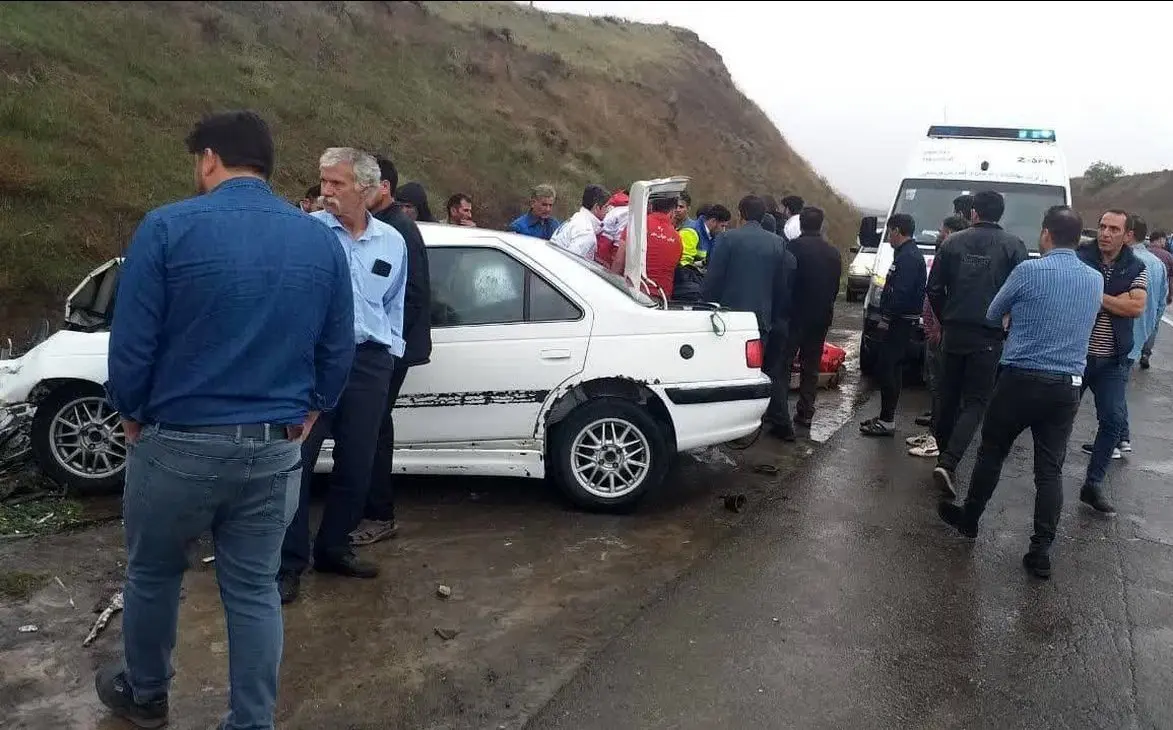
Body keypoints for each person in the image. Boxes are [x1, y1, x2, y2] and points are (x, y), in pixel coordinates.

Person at [97, 111, 355, 729]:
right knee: (254, 590)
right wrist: (312, 407)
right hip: (272, 450)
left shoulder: (166, 229)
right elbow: (337, 346)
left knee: (155, 573)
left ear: (210, 159)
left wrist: (131, 413)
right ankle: (250, 721)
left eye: (197, 161)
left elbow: (132, 344)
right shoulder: (319, 240)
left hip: (176, 444)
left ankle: (148, 694)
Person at [938, 206, 1103, 580]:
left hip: (1020, 379)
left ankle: (970, 520)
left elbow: (994, 313)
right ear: (1079, 239)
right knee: (1050, 470)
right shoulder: (1094, 279)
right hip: (1066, 388)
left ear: (1046, 234)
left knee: (992, 451)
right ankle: (1041, 549)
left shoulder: (1029, 270)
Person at [279, 148, 409, 603]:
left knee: (358, 464)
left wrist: (391, 350)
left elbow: (394, 303)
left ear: (366, 190)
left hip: (369, 364)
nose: (325, 192)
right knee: (296, 462)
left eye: (336, 184)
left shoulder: (392, 241)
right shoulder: (307, 233)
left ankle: (334, 547)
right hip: (312, 363)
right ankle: (288, 564)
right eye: (323, 182)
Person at [352, 154, 434, 550]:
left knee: (375, 429)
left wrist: (388, 346)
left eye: (363, 184)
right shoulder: (374, 225)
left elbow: (412, 296)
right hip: (377, 348)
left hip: (388, 350)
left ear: (383, 187)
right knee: (370, 428)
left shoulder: (398, 232)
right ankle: (364, 508)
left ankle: (379, 515)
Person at [926, 190, 1029, 496]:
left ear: (973, 213)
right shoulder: (1014, 246)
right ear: (1000, 214)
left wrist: (946, 318)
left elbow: (933, 288)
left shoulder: (952, 243)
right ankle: (949, 460)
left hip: (955, 330)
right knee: (975, 401)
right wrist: (1007, 319)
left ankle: (944, 453)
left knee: (947, 394)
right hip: (989, 334)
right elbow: (1022, 290)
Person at [702, 195, 796, 440]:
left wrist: (705, 308)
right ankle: (751, 423)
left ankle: (725, 425)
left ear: (740, 214)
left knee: (727, 373)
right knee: (756, 373)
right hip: (761, 320)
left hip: (728, 320)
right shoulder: (777, 243)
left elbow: (713, 281)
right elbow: (780, 286)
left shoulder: (726, 238)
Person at [1075, 209, 1148, 515]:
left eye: (1113, 229)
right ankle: (1046, 477)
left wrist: (1097, 293)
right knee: (1056, 419)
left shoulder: (1136, 266)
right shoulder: (1081, 256)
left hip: (1113, 359)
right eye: (1102, 227)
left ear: (1126, 235)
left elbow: (1135, 308)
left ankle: (1093, 484)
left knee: (1114, 421)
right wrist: (1116, 299)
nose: (1105, 233)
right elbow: (1072, 291)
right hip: (1076, 356)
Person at [907, 215, 969, 458]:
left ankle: (938, 440)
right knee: (933, 385)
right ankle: (933, 431)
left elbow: (944, 295)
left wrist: (939, 325)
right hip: (933, 328)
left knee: (942, 387)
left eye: (943, 231)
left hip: (941, 332)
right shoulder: (944, 256)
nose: (939, 234)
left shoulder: (955, 260)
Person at [859, 214, 927, 437]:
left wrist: (886, 319)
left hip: (899, 322)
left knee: (888, 368)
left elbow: (901, 293)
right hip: (900, 320)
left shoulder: (908, 258)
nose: (888, 236)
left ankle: (887, 420)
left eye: (889, 232)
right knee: (890, 367)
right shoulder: (906, 254)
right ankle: (885, 417)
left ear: (897, 231)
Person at [1107, 215, 1167, 456]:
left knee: (1113, 391)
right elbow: (1162, 303)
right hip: (1140, 334)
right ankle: (1121, 438)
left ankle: (1116, 441)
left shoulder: (1125, 261)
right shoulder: (1158, 264)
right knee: (1117, 388)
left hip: (1118, 334)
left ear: (1129, 234)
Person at [781, 206, 842, 430]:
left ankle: (779, 412)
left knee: (785, 362)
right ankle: (806, 412)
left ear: (801, 224)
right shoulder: (833, 253)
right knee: (811, 366)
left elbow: (785, 283)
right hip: (821, 316)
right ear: (821, 224)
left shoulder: (792, 248)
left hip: (794, 315)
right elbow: (835, 289)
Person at [610, 194, 683, 300]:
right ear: (672, 211)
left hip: (633, 294)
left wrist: (610, 288)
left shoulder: (636, 226)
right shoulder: (678, 239)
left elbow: (618, 262)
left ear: (651, 206)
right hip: (661, 300)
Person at [1140, 228, 1173, 368]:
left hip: (1140, 291)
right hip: (1158, 293)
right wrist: (1170, 294)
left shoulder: (1142, 253)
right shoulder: (1168, 257)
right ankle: (1146, 353)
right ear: (1159, 240)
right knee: (1154, 323)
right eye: (1164, 240)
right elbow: (1170, 278)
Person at [551, 184, 610, 260]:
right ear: (596, 207)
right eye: (606, 207)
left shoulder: (575, 218)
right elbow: (570, 264)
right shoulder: (586, 233)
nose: (608, 211)